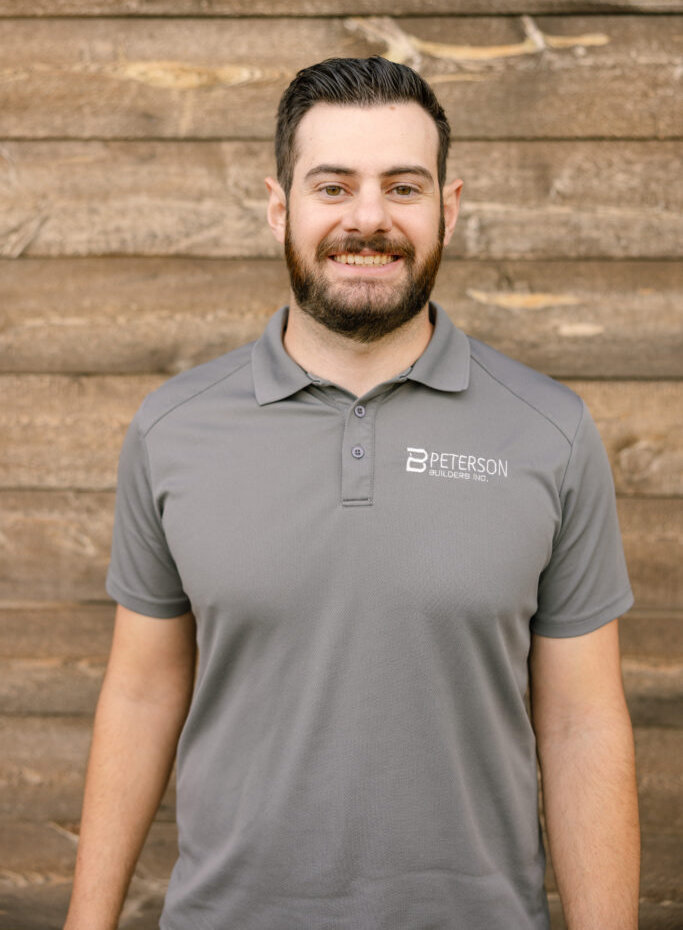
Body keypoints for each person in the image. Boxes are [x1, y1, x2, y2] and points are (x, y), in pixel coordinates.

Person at [64, 56, 640, 930]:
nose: (368, 218)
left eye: (402, 187)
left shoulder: (548, 431)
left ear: (447, 208)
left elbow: (581, 721)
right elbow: (141, 694)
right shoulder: (172, 428)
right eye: (332, 186)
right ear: (279, 207)